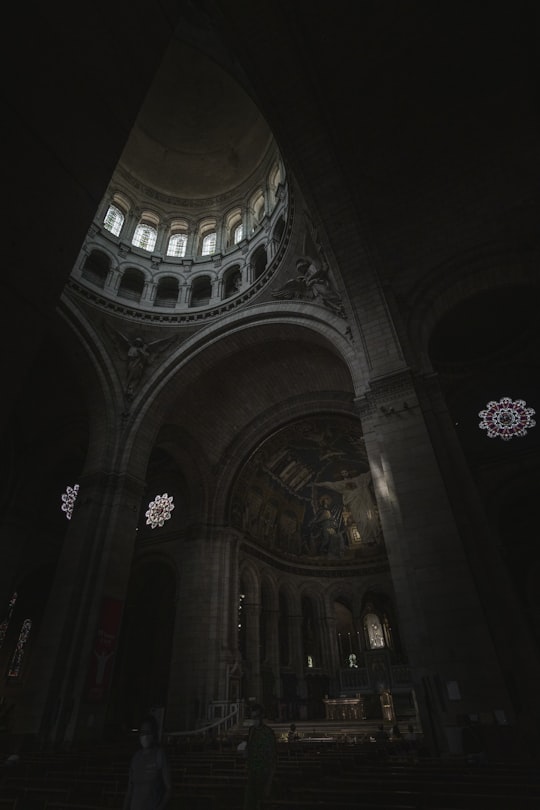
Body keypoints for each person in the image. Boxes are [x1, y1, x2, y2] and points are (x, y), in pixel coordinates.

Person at [315, 468, 379, 544]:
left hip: (362, 503)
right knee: (360, 520)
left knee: (367, 520)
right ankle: (366, 539)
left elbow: (368, 474)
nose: (344, 474)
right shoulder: (341, 484)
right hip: (354, 505)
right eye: (342, 473)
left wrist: (374, 467)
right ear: (341, 475)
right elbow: (329, 484)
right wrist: (317, 484)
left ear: (348, 472)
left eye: (345, 472)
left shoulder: (358, 480)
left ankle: (372, 538)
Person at [123, 714, 172, 810]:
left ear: (154, 734)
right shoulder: (136, 757)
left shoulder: (160, 755)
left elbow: (169, 789)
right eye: (142, 732)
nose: (145, 735)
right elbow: (130, 790)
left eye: (148, 732)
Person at [243, 703, 277, 810]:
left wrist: (269, 782)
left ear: (262, 716)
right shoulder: (251, 730)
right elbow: (249, 748)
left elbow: (272, 758)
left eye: (256, 717)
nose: (255, 720)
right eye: (253, 717)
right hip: (252, 772)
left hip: (263, 773)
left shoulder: (268, 733)